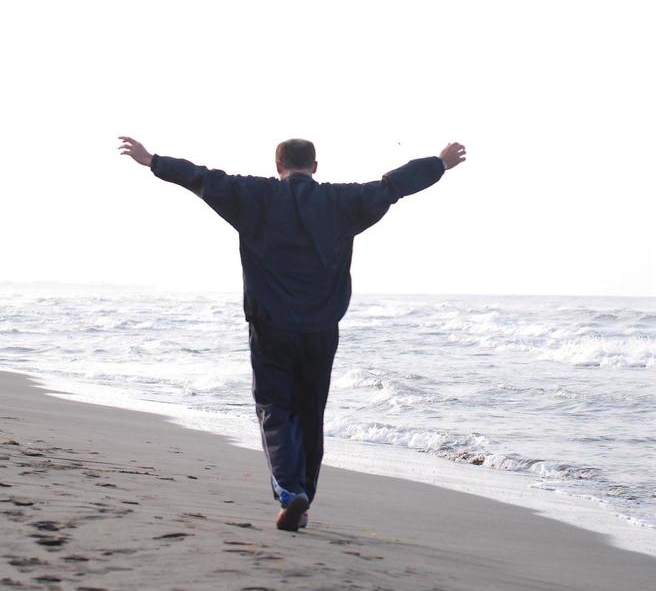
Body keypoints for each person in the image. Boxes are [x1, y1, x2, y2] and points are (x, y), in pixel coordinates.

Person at [118, 135, 466, 531]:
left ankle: (289, 489)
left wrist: (153, 160)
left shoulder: (255, 196)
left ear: (277, 165)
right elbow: (390, 187)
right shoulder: (341, 202)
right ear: (314, 166)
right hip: (320, 328)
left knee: (274, 408)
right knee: (309, 412)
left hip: (270, 326)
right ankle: (302, 498)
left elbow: (203, 179)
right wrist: (439, 164)